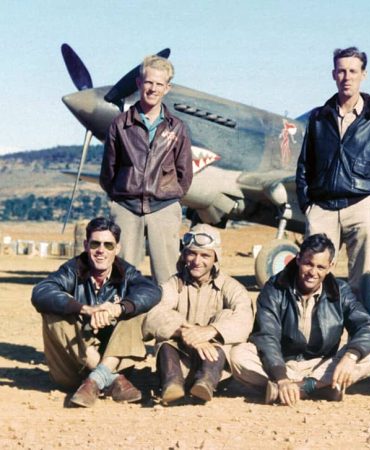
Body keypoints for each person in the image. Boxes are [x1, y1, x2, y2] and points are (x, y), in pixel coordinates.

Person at [295, 46, 370, 314]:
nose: (347, 76)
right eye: (341, 71)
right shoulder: (319, 118)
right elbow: (304, 165)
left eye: (353, 71)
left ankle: (363, 339)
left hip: (361, 206)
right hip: (323, 208)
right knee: (314, 279)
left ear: (363, 74)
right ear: (333, 74)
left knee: (362, 282)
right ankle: (316, 340)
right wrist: (308, 205)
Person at [230, 233, 370, 406]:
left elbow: (368, 326)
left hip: (321, 365)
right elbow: (266, 336)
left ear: (330, 266)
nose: (313, 272)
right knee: (239, 355)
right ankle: (317, 388)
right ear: (298, 259)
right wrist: (281, 377)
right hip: (281, 364)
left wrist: (351, 356)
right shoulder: (274, 288)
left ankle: (300, 388)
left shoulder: (340, 291)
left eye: (320, 267)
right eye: (308, 264)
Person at [31, 217, 161, 407]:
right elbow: (41, 292)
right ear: (86, 245)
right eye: (95, 244)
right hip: (72, 371)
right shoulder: (72, 270)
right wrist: (86, 309)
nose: (101, 250)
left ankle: (95, 380)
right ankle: (111, 378)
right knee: (53, 313)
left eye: (108, 245)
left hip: (114, 357)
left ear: (117, 248)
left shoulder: (126, 272)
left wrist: (118, 309)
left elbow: (152, 291)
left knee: (135, 310)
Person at [100, 55, 193, 285]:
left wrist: (168, 196)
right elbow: (108, 171)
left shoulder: (178, 128)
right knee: (120, 275)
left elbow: (184, 174)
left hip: (163, 207)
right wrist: (121, 197)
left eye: (159, 84)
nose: (153, 89)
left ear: (167, 88)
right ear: (139, 83)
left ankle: (168, 321)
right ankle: (121, 319)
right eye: (149, 82)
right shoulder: (120, 124)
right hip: (126, 207)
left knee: (169, 277)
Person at [143, 224, 253, 404]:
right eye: (192, 253)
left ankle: (205, 383)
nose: (196, 261)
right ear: (184, 255)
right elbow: (154, 314)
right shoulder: (173, 284)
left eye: (205, 255)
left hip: (212, 359)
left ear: (215, 258)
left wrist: (211, 330)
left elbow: (245, 318)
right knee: (165, 339)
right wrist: (187, 332)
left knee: (227, 316)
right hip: (180, 357)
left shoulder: (230, 287)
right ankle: (172, 384)